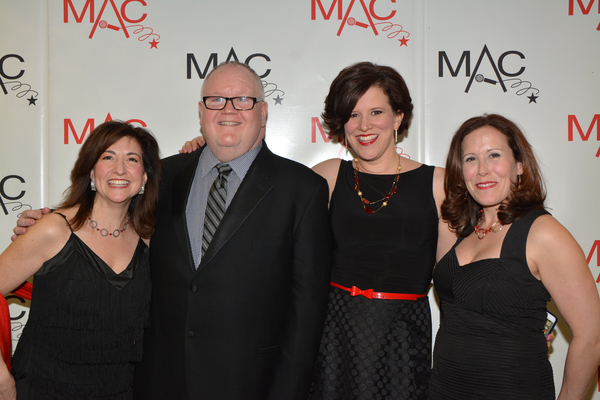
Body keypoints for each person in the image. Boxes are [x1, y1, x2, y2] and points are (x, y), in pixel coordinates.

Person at [14, 61, 332, 399]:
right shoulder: (160, 177)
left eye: (242, 100)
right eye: (216, 100)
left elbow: (308, 309)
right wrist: (51, 223)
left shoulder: (302, 189)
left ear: (263, 112)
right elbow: (106, 219)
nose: (228, 109)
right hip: (157, 380)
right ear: (201, 110)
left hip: (251, 383)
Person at [308, 62, 455, 399]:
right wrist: (213, 154)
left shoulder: (438, 184)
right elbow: (266, 196)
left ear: (398, 117)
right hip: (334, 335)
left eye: (376, 111)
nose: (364, 126)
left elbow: (453, 283)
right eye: (353, 115)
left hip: (403, 336)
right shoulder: (329, 177)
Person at [427, 114, 600, 399]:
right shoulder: (462, 228)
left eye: (493, 155)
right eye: (470, 159)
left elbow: (591, 337)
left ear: (519, 165)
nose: (482, 170)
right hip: (445, 389)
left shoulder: (543, 233)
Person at [0, 121, 161, 399]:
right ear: (90, 171)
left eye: (131, 159)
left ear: (145, 176)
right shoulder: (54, 230)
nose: (120, 169)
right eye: (107, 157)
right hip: (42, 391)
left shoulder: (151, 243)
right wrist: (3, 381)